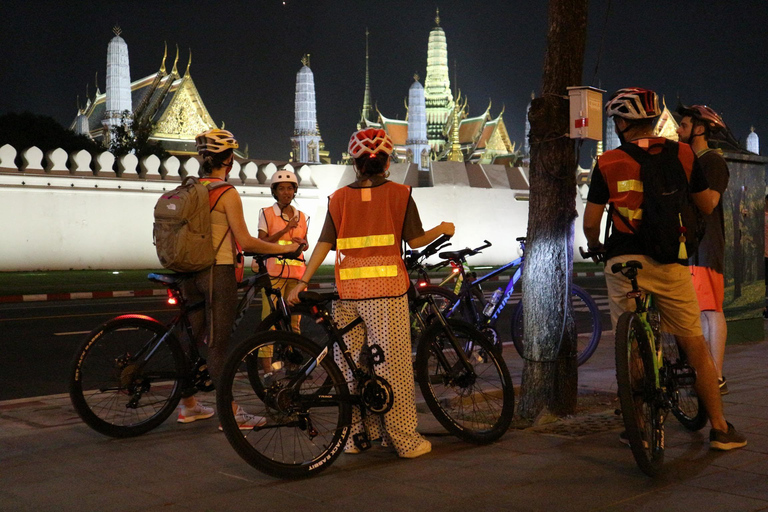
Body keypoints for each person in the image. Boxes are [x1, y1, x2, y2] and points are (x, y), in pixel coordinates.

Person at [583, 88, 746, 450]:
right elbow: (706, 205)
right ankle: (720, 428)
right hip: (671, 261)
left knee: (632, 345)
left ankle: (638, 422)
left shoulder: (608, 162)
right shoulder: (684, 154)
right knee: (695, 345)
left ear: (623, 123)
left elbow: (591, 221)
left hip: (624, 262)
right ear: (654, 120)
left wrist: (595, 246)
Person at [287, 128, 455, 459]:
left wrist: (303, 281)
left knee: (350, 369)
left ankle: (355, 437)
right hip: (387, 294)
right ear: (387, 162)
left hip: (347, 294)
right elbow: (417, 240)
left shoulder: (339, 199)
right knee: (392, 368)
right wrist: (443, 228)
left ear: (355, 163)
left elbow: (323, 243)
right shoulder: (400, 194)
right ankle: (404, 440)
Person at [178, 128, 301, 429]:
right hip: (216, 273)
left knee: (193, 340)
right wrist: (283, 248)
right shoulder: (225, 192)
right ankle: (230, 412)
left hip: (187, 272)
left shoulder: (189, 188)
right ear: (230, 159)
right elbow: (246, 242)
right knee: (218, 345)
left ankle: (188, 404)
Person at [676, 104, 730, 394]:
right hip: (689, 247)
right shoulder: (689, 160)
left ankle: (716, 374)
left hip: (706, 247)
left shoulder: (712, 162)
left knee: (710, 311)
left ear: (700, 130)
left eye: (683, 126)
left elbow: (708, 202)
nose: (678, 130)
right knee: (695, 312)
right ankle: (703, 372)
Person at [253, 168, 309, 375]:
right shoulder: (267, 214)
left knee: (294, 322)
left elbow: (305, 245)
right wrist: (286, 230)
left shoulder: (303, 216)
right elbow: (262, 242)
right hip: (274, 275)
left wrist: (302, 244)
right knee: (270, 322)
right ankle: (267, 370)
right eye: (281, 188)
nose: (286, 192)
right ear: (274, 192)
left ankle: (292, 365)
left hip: (296, 275)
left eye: (290, 188)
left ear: (295, 191)